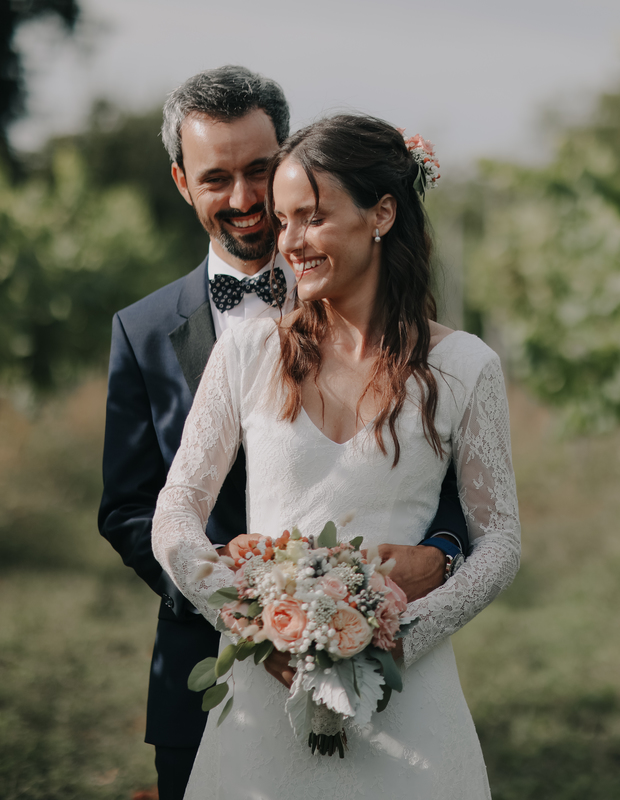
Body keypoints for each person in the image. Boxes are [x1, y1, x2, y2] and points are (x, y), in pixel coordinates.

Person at [98, 68, 470, 800]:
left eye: (259, 171)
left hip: (374, 654)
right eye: (215, 178)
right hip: (203, 675)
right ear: (181, 182)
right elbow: (128, 507)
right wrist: (242, 600)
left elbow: (446, 470)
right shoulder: (141, 333)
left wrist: (443, 554)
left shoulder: (381, 311)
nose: (242, 200)